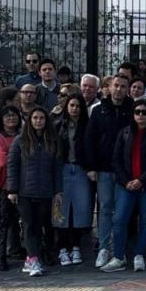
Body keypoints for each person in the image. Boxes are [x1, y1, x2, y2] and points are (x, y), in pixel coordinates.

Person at [100, 100, 146, 273]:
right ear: (133, 114)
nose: (140, 115)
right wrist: (126, 181)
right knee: (119, 219)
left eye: (144, 112)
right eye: (137, 112)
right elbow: (116, 160)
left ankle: (139, 254)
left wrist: (142, 180)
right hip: (126, 185)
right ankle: (119, 257)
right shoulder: (124, 132)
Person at [85, 74, 134, 268]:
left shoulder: (133, 109)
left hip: (125, 169)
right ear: (109, 87)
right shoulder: (98, 110)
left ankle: (119, 249)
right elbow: (90, 139)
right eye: (116, 86)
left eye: (123, 86)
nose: (119, 89)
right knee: (105, 209)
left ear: (127, 89)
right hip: (104, 168)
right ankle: (104, 247)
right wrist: (91, 166)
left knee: (122, 211)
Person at [7, 107, 62, 277]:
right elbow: (12, 165)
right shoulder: (20, 140)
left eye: (42, 118)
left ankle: (32, 258)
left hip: (45, 191)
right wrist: (12, 190)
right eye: (35, 118)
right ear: (30, 120)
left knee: (39, 225)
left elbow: (57, 168)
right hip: (25, 192)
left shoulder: (52, 141)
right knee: (28, 225)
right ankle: (33, 260)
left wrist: (58, 191)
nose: (38, 121)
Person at [53, 95, 92, 267]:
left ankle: (76, 247)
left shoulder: (88, 126)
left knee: (79, 210)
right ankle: (62, 248)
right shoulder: (58, 125)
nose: (74, 109)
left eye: (77, 106)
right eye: (71, 105)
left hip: (81, 170)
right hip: (62, 169)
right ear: (66, 107)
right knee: (61, 210)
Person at [0, 105, 22, 271]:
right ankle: (0, 256)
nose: (11, 118)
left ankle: (17, 250)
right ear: (1, 120)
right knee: (3, 222)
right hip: (4, 186)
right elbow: (2, 161)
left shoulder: (23, 135)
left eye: (14, 115)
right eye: (7, 116)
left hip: (24, 184)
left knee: (20, 221)